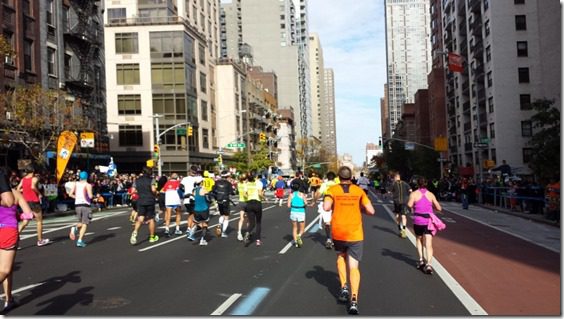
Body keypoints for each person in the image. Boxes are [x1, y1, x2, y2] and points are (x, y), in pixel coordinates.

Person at [323, 166, 375, 315]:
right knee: (354, 266)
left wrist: (333, 203)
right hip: (355, 233)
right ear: (351, 177)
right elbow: (371, 211)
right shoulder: (359, 191)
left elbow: (326, 207)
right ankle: (354, 300)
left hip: (339, 232)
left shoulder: (332, 190)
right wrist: (360, 208)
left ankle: (344, 286)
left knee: (340, 256)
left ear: (339, 178)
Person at [0, 169, 31, 313]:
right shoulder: (15, 194)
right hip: (9, 231)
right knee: (5, 269)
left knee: (7, 269)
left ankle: (9, 299)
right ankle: (8, 299)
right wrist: (20, 226)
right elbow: (29, 215)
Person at [407, 176, 443, 275]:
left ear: (417, 184)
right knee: (428, 242)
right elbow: (439, 208)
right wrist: (432, 207)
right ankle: (429, 264)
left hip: (418, 221)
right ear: (426, 184)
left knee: (419, 239)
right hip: (428, 221)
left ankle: (421, 260)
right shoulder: (431, 195)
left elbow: (409, 205)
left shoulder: (414, 194)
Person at [17, 166, 50, 247]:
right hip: (34, 201)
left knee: (25, 222)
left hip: (26, 202)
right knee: (39, 221)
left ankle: (13, 240)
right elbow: (32, 186)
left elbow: (18, 189)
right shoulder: (34, 178)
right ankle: (40, 240)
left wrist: (24, 191)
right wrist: (39, 193)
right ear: (33, 171)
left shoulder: (23, 179)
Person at [130, 167, 159, 245]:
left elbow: (133, 191)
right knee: (151, 218)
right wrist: (156, 193)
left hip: (141, 201)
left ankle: (135, 232)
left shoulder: (137, 180)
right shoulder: (151, 179)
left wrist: (140, 191)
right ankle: (152, 237)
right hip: (149, 200)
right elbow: (153, 189)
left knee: (140, 218)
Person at [68, 171, 93, 247]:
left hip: (77, 205)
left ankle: (75, 229)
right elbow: (90, 196)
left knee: (81, 222)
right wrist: (93, 196)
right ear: (87, 177)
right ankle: (79, 240)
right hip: (85, 205)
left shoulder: (76, 184)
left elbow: (70, 194)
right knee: (85, 223)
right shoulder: (88, 185)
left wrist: (77, 197)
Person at [314, 171, 337, 249]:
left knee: (327, 223)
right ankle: (336, 239)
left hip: (326, 203)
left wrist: (314, 201)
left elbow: (319, 194)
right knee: (335, 222)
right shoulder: (337, 185)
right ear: (334, 178)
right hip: (336, 204)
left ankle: (328, 239)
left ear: (327, 178)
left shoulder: (324, 184)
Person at [210, 171, 235, 238]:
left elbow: (213, 190)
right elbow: (232, 193)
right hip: (226, 200)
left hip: (219, 200)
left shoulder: (216, 182)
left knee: (222, 214)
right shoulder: (228, 183)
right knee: (226, 216)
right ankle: (223, 232)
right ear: (227, 176)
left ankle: (219, 224)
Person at [243, 173, 265, 246]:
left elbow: (244, 194)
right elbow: (259, 194)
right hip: (257, 203)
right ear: (255, 176)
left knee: (252, 223)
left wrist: (249, 196)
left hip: (249, 203)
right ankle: (258, 240)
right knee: (258, 222)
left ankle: (248, 232)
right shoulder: (259, 183)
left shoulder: (247, 184)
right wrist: (264, 198)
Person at [190, 177, 211, 246]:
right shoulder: (203, 189)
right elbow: (209, 197)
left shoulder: (194, 190)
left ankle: (193, 229)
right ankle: (202, 240)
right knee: (205, 224)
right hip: (204, 209)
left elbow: (192, 198)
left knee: (197, 222)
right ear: (201, 182)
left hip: (196, 209)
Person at [390, 171, 411, 238]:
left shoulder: (393, 184)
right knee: (403, 216)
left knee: (397, 216)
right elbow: (410, 190)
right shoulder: (405, 183)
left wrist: (392, 194)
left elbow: (389, 191)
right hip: (404, 202)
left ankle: (400, 229)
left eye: (394, 178)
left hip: (397, 202)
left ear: (396, 177)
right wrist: (407, 196)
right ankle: (404, 230)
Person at [287, 181, 308, 247]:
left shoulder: (291, 195)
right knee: (302, 229)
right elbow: (306, 203)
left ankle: (296, 242)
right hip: (301, 211)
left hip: (293, 211)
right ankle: (299, 236)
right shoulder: (302, 194)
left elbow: (288, 205)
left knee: (294, 227)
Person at [181, 166, 199, 240]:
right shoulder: (197, 178)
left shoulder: (184, 179)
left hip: (186, 199)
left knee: (191, 214)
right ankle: (191, 232)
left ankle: (188, 228)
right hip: (193, 198)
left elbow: (180, 187)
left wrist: (185, 192)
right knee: (195, 216)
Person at [236, 173, 248, 241]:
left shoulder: (239, 184)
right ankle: (247, 232)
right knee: (248, 218)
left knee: (241, 218)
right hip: (246, 202)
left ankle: (239, 232)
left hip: (240, 201)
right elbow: (245, 194)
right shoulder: (246, 184)